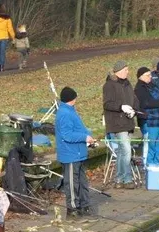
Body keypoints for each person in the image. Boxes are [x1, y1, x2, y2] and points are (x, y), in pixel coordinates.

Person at [55, 86, 95, 217]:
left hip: (79, 153)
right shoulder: (65, 114)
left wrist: (88, 137)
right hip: (70, 155)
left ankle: (84, 206)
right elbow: (67, 135)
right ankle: (72, 209)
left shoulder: (71, 111)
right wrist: (85, 137)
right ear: (71, 99)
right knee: (72, 183)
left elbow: (79, 128)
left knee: (82, 182)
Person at [103, 60, 140, 189]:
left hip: (128, 121)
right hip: (117, 123)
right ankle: (127, 178)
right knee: (126, 150)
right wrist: (121, 107)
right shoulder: (109, 85)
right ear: (118, 71)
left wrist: (133, 110)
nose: (127, 72)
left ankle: (119, 179)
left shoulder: (128, 84)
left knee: (122, 153)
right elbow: (107, 104)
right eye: (125, 70)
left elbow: (134, 100)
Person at [134, 66, 159, 166]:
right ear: (141, 76)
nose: (150, 76)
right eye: (148, 75)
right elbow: (146, 103)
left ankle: (157, 166)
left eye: (150, 74)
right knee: (151, 147)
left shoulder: (153, 85)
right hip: (149, 122)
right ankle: (149, 167)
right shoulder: (139, 89)